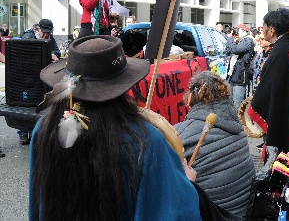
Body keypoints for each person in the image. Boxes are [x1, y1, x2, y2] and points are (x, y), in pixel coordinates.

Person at [30, 36, 201, 220]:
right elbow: (172, 211)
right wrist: (186, 184)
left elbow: (38, 201)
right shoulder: (144, 140)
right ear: (122, 84)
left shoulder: (44, 128)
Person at [174, 71, 255, 217]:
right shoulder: (237, 127)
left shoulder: (181, 134)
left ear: (191, 97)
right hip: (242, 213)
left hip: (213, 215)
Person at [248, 8, 289, 162]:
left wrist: (254, 105)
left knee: (280, 154)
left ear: (272, 30)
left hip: (285, 111)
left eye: (264, 27)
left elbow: (269, 88)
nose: (263, 31)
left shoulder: (280, 51)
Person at [225, 24, 255, 109]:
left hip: (239, 77)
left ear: (243, 31)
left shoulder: (248, 40)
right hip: (231, 76)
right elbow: (228, 50)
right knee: (229, 103)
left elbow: (235, 50)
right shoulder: (239, 41)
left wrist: (230, 38)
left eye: (237, 30)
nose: (236, 32)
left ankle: (238, 122)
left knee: (237, 105)